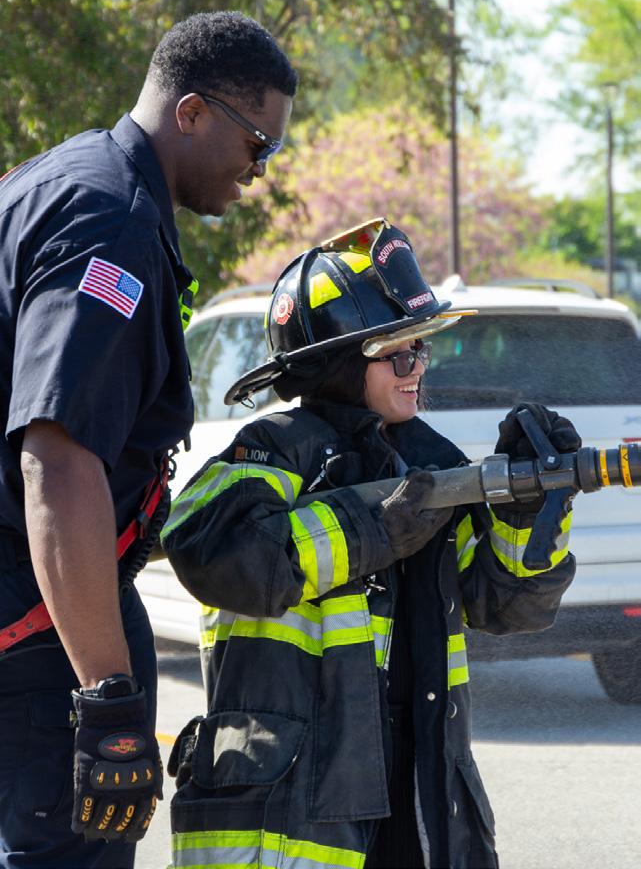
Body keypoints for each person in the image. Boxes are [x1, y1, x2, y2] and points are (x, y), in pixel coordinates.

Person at [162, 218, 581, 869]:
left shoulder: (431, 463)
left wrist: (529, 511)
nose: (418, 369)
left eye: (421, 350)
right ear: (338, 363)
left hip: (416, 804)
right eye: (400, 354)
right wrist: (371, 529)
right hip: (290, 816)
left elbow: (505, 607)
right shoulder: (272, 451)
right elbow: (213, 550)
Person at [0, 10, 297, 868]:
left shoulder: (54, 176)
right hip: (39, 626)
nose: (259, 171)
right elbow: (57, 459)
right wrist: (107, 697)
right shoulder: (113, 226)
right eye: (258, 144)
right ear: (191, 112)